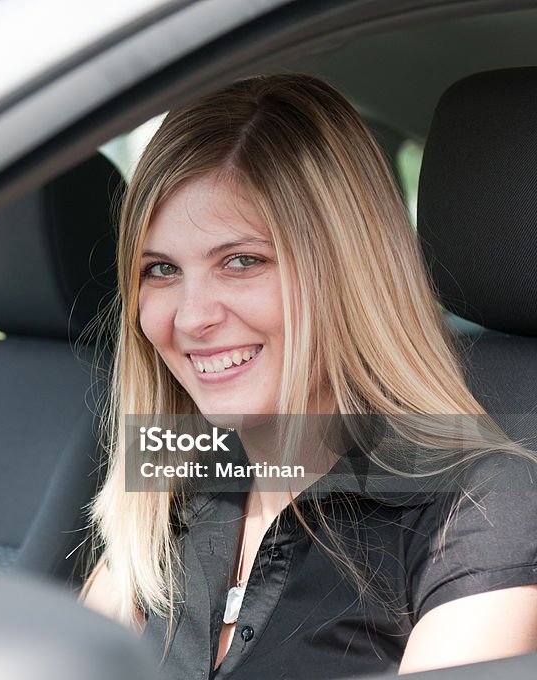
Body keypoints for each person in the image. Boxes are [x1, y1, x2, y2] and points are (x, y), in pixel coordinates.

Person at [81, 73, 537, 679]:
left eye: (242, 262)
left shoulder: (481, 506)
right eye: (161, 270)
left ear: (348, 274)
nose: (191, 318)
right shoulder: (173, 472)